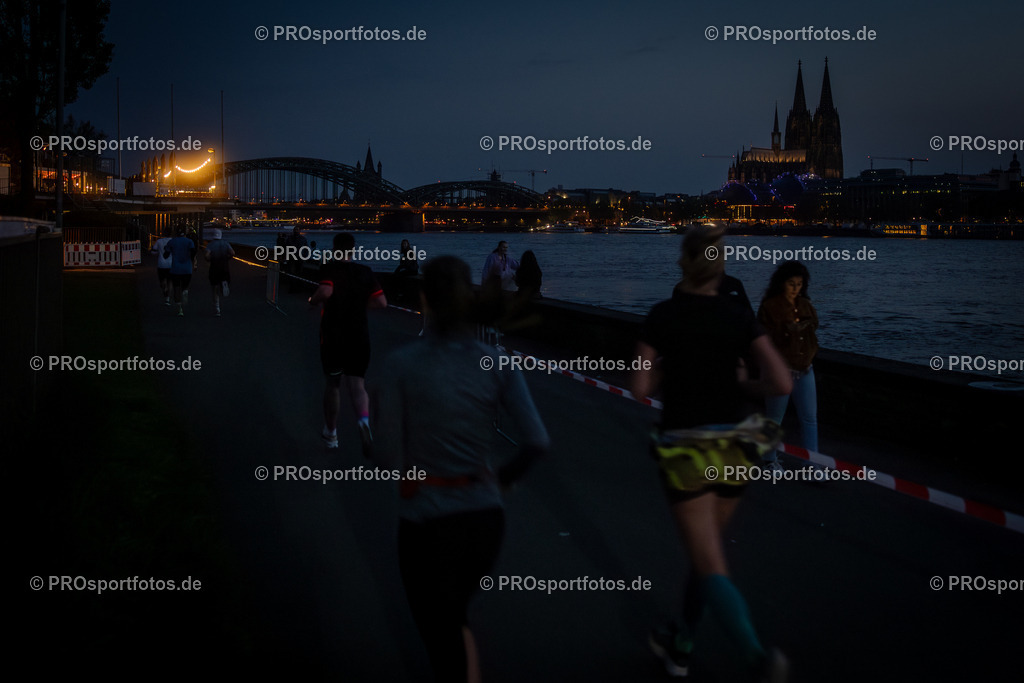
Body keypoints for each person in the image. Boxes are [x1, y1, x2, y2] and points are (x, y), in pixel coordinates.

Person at [372, 255, 550, 683]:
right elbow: (537, 441)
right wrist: (501, 480)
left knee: (440, 635)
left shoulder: (401, 365)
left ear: (423, 300)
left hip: (426, 522)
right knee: (453, 617)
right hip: (485, 520)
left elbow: (386, 456)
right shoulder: (498, 362)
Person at [632, 225, 792, 682]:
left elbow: (640, 388)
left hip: (687, 446)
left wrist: (670, 364)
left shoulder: (662, 315)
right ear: (720, 265)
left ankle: (756, 656)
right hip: (739, 441)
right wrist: (742, 383)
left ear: (684, 261)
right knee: (708, 554)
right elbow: (781, 382)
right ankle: (680, 643)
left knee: (708, 559)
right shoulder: (739, 316)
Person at [308, 232, 387, 453]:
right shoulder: (365, 272)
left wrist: (312, 301)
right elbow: (382, 302)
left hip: (333, 337)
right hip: (359, 336)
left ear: (335, 249)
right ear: (353, 249)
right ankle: (363, 423)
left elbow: (325, 290)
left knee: (333, 385)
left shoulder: (330, 269)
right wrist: (360, 306)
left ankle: (331, 433)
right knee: (358, 385)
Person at [757, 261, 819, 472]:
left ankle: (812, 462)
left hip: (804, 368)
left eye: (799, 284)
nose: (795, 288)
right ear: (782, 283)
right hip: (780, 369)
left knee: (809, 417)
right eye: (792, 283)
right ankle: (769, 459)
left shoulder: (805, 305)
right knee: (775, 418)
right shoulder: (770, 307)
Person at [163, 228, 197, 317]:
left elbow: (166, 255)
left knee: (176, 288)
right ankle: (185, 291)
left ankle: (180, 309)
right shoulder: (189, 242)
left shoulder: (172, 242)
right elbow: (193, 253)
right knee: (184, 286)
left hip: (175, 269)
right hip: (187, 269)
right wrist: (193, 262)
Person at [204, 229, 235, 317]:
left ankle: (217, 308)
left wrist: (209, 259)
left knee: (214, 287)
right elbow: (233, 253)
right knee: (223, 279)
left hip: (214, 267)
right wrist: (228, 257)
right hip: (224, 267)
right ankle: (224, 283)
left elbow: (206, 255)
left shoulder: (210, 245)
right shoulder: (225, 243)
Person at [152, 232, 173, 306]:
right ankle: (168, 298)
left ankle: (164, 289)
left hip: (161, 264)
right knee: (170, 281)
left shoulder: (159, 241)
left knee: (162, 280)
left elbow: (153, 251)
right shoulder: (173, 241)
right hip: (171, 264)